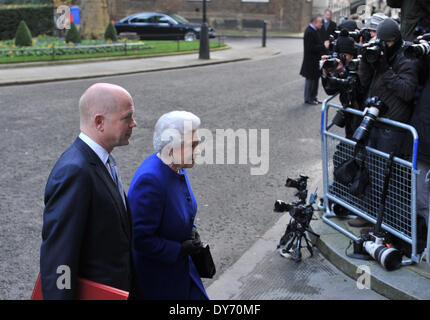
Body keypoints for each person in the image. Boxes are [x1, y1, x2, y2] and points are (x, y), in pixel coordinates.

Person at [40, 83, 138, 299]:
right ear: (99, 122)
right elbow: (59, 258)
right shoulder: (75, 171)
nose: (134, 123)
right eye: (127, 117)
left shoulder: (100, 161)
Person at [128, 111, 208, 300]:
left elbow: (181, 207)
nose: (198, 151)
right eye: (193, 145)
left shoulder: (176, 166)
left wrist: (191, 230)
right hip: (160, 283)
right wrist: (179, 249)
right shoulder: (151, 180)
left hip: (181, 271)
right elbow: (138, 239)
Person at [349, 18, 420, 229]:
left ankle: (388, 225)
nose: (384, 46)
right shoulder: (380, 52)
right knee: (369, 170)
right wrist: (366, 62)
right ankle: (369, 214)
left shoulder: (407, 56)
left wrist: (385, 68)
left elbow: (407, 92)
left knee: (388, 177)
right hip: (374, 120)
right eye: (381, 41)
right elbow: (364, 81)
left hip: (394, 126)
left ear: (396, 40)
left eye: (387, 42)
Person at [300, 15, 330, 105]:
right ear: (315, 22)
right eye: (320, 22)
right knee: (310, 81)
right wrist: (323, 46)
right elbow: (311, 48)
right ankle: (308, 98)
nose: (321, 24)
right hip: (310, 61)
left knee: (315, 80)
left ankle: (314, 97)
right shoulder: (309, 31)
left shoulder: (314, 30)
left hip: (315, 60)